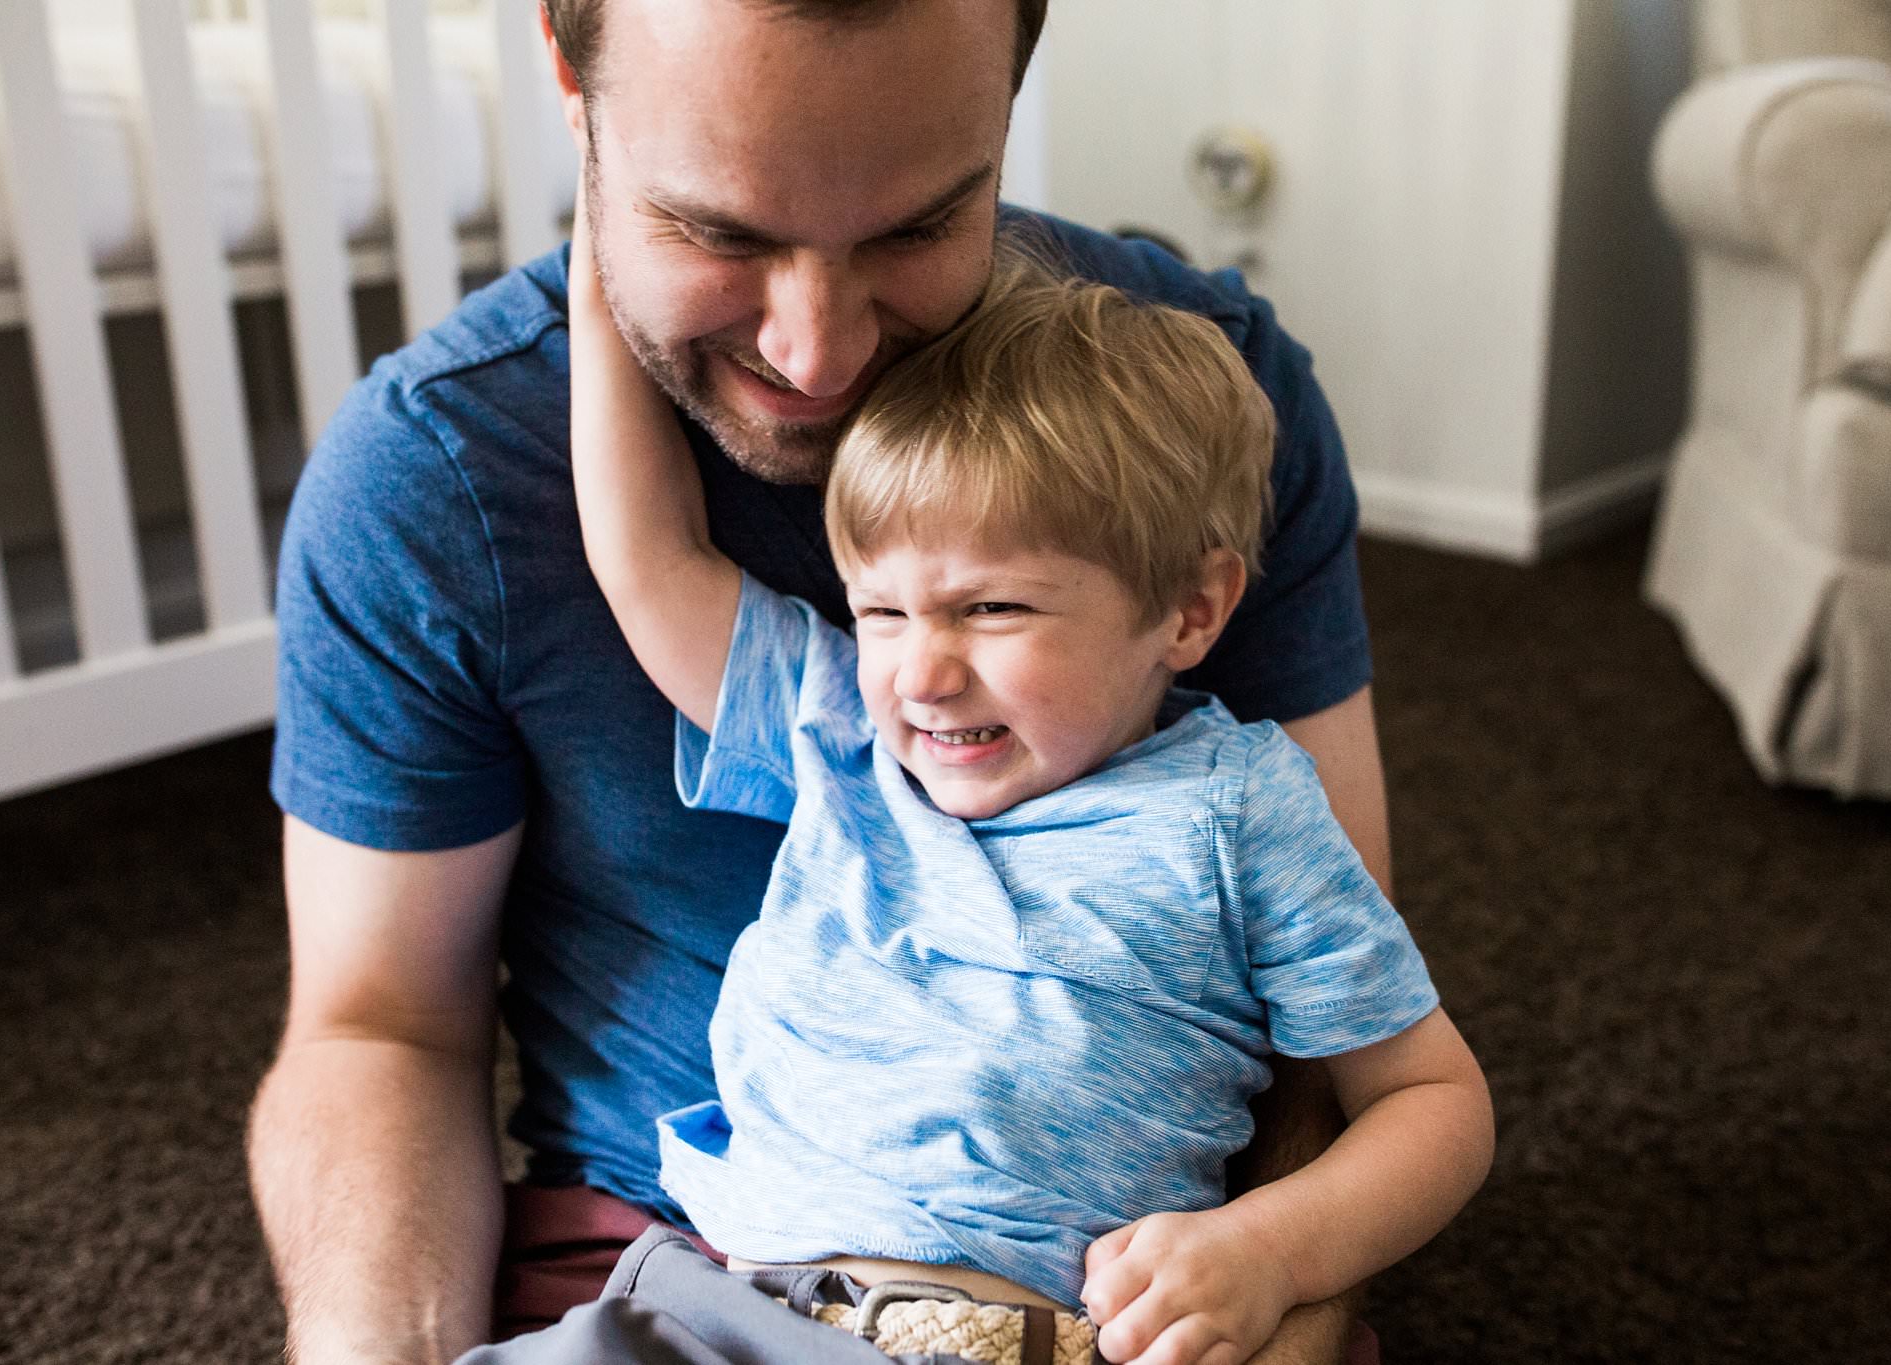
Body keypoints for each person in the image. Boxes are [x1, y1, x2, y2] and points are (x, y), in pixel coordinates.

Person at [249, 1, 1402, 1362]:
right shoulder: (447, 481)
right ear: (574, 88)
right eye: (716, 232)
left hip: (1094, 1293)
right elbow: (381, 1025)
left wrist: (1279, 1287)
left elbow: (1338, 1041)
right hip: (679, 1249)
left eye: (914, 229)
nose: (817, 353)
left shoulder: (1200, 417)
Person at [534, 214, 1492, 1365]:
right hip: (698, 1301)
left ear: (1188, 611)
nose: (922, 674)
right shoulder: (842, 727)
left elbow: (1432, 1101)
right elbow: (647, 561)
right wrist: (602, 279)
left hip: (995, 1334)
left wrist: (1269, 1250)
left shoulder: (1236, 813)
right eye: (879, 610)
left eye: (992, 609)